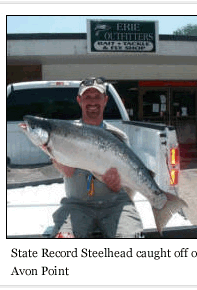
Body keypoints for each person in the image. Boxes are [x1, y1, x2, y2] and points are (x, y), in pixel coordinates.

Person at [51, 77, 143, 238]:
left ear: (105, 100)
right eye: (87, 97)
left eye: (97, 97)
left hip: (116, 204)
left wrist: (115, 185)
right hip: (76, 205)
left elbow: (127, 186)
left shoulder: (118, 136)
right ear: (79, 100)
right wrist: (60, 164)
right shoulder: (66, 133)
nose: (92, 101)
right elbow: (66, 168)